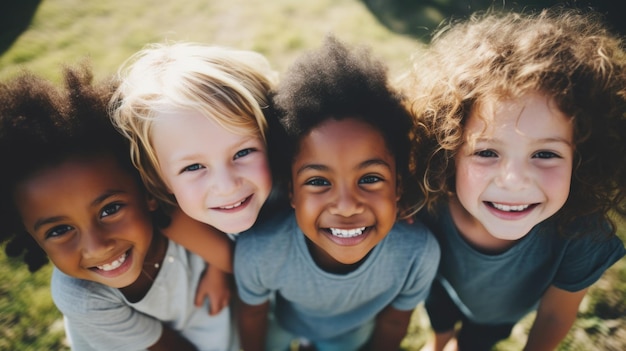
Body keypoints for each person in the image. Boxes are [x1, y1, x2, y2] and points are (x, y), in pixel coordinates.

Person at [399, 8, 626, 351]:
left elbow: (553, 316)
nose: (514, 180)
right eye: (487, 152)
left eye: (545, 154)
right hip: (440, 289)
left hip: (498, 319)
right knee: (440, 321)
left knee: (476, 342)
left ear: (583, 158)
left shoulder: (583, 235)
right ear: (448, 151)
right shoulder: (427, 200)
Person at [0, 64, 238, 351]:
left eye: (109, 210)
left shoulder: (170, 219)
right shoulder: (82, 297)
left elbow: (233, 260)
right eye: (60, 230)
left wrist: (217, 271)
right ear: (31, 236)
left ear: (146, 193)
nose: (97, 246)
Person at [234, 35, 440, 351]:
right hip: (283, 325)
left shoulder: (417, 254)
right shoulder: (260, 252)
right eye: (318, 182)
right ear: (291, 192)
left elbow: (395, 323)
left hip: (350, 334)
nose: (345, 206)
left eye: (370, 178)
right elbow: (252, 316)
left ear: (398, 186)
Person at [109, 42, 285, 315]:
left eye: (244, 152)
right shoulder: (173, 220)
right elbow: (242, 263)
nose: (227, 185)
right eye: (193, 167)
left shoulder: (296, 182)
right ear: (159, 178)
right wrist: (219, 269)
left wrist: (218, 271)